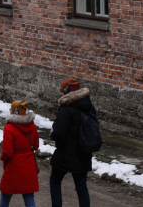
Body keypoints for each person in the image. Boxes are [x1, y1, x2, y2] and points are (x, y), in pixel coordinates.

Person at [49, 78, 95, 207]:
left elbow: (58, 133)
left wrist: (53, 131)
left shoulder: (66, 109)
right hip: (84, 153)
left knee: (55, 181)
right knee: (81, 187)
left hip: (66, 153)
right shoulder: (89, 107)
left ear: (66, 92)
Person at [0, 101, 40, 207]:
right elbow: (35, 146)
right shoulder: (32, 126)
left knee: (5, 197)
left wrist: (3, 158)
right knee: (29, 198)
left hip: (14, 167)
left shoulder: (9, 128)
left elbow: (7, 152)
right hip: (29, 167)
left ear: (13, 112)